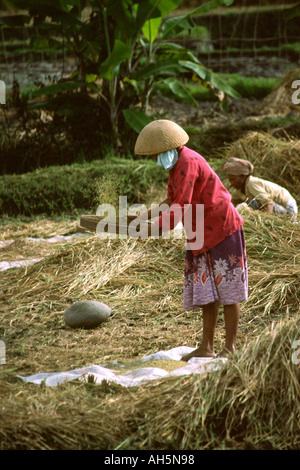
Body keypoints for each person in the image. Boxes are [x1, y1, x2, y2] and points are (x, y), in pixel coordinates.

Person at [134, 120, 248, 359]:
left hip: (221, 228)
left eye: (157, 154)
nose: (156, 159)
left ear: (170, 149)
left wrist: (156, 228)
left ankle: (230, 347)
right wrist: (143, 216)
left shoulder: (188, 162)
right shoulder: (174, 167)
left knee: (228, 289)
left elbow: (181, 204)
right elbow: (169, 201)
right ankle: (206, 347)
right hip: (200, 232)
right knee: (208, 291)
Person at [223, 157, 298, 217]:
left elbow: (268, 203)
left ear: (243, 176)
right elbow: (232, 202)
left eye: (233, 179)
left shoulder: (251, 183)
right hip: (278, 208)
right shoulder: (240, 190)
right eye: (230, 180)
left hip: (288, 208)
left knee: (251, 200)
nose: (231, 183)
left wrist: (267, 223)